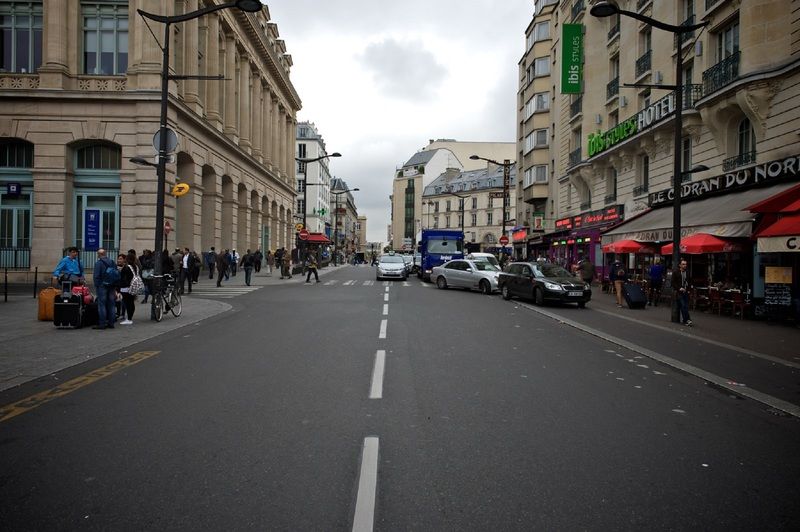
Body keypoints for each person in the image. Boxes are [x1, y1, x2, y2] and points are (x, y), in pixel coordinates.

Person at [92, 248, 118, 330]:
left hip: (102, 286)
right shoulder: (112, 262)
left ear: (99, 254)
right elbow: (116, 273)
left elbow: (96, 276)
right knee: (112, 304)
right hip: (112, 285)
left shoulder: (98, 263)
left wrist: (97, 285)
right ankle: (111, 323)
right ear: (105, 254)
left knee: (102, 304)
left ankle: (102, 324)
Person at [118, 252, 139, 325]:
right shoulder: (136, 266)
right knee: (131, 302)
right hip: (133, 286)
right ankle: (130, 317)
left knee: (127, 303)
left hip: (126, 287)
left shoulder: (127, 267)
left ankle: (129, 319)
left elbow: (124, 278)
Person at [671, 258, 693, 326]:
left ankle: (685, 320)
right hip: (679, 292)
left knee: (685, 306)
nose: (685, 265)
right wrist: (679, 288)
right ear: (680, 265)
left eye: (685, 264)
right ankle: (688, 320)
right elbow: (673, 283)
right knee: (683, 305)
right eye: (683, 264)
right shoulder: (676, 272)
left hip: (686, 292)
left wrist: (689, 290)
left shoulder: (687, 272)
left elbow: (689, 281)